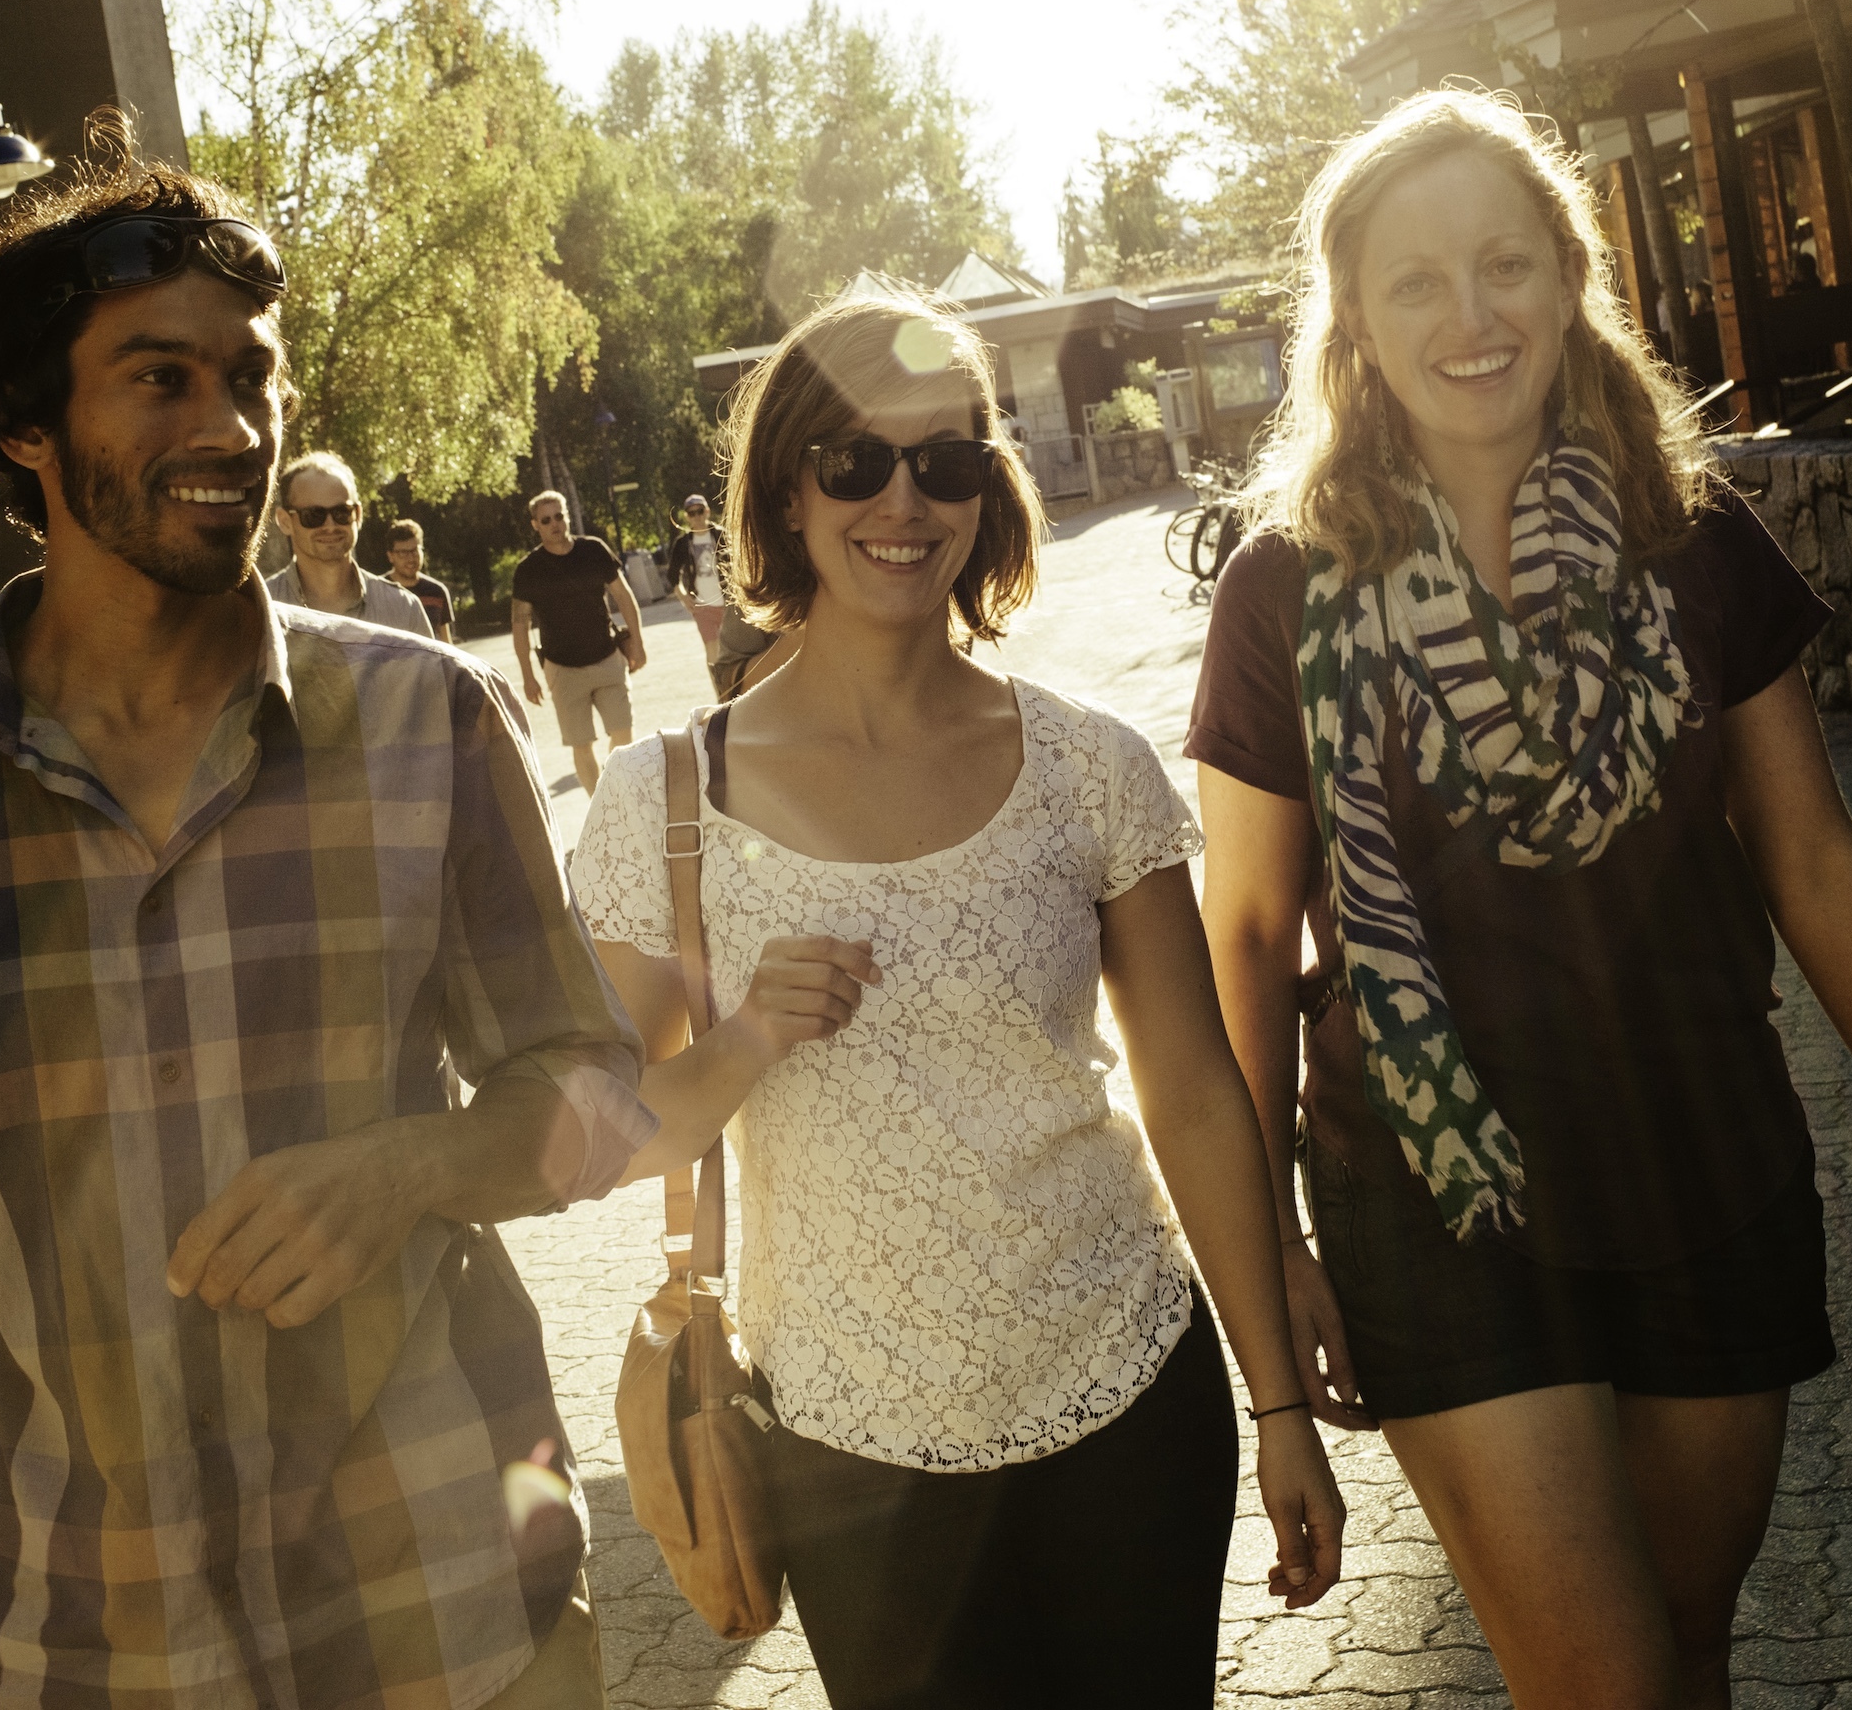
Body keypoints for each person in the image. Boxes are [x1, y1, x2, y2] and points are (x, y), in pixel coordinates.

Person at [0, 145, 651, 1710]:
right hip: (98, 1647)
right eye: (160, 378)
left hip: (455, 1612)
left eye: (251, 377)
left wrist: (415, 1163)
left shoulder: (429, 723)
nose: (231, 428)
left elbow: (597, 1090)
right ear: (26, 424)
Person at [1186, 88, 1852, 1708]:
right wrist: (1270, 1244)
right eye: (1417, 280)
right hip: (1437, 1197)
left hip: (1706, 1159)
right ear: (1354, 320)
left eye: (1505, 263)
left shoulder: (1693, 540)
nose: (1472, 315)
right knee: (1608, 1683)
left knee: (1689, 1653)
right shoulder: (1286, 587)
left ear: (1570, 279)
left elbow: (1813, 858)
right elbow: (1245, 932)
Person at [568, 291, 1343, 1710]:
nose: (902, 500)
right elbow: (605, 1138)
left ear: (988, 491)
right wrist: (748, 1038)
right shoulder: (666, 803)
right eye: (854, 462)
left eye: (945, 461)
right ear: (787, 491)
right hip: (849, 1447)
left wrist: (1280, 1398)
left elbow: (1190, 1092)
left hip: (1127, 1390)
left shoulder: (1089, 766)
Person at [510, 490, 645, 792]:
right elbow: (520, 625)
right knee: (581, 745)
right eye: (546, 520)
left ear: (568, 516)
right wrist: (527, 676)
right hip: (563, 669)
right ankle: (600, 806)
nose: (555, 524)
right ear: (535, 525)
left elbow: (624, 596)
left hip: (607, 658)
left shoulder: (594, 550)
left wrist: (638, 641)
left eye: (559, 516)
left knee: (623, 733)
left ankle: (615, 791)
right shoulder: (528, 570)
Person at [263, 451, 432, 635]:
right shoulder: (260, 609)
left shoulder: (404, 610)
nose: (330, 526)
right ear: (285, 521)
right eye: (313, 515)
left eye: (342, 512)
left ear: (358, 515)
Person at [660, 492, 729, 656]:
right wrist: (683, 597)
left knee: (732, 648)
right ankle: (716, 675)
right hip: (702, 605)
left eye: (700, 511)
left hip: (727, 603)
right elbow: (672, 575)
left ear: (707, 511)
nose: (697, 516)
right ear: (687, 517)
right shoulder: (683, 543)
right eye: (692, 513)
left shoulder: (721, 535)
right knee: (712, 650)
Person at [383, 517, 454, 642]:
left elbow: (446, 643)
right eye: (403, 553)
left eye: (415, 550)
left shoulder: (437, 592)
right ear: (390, 556)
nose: (411, 558)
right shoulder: (378, 591)